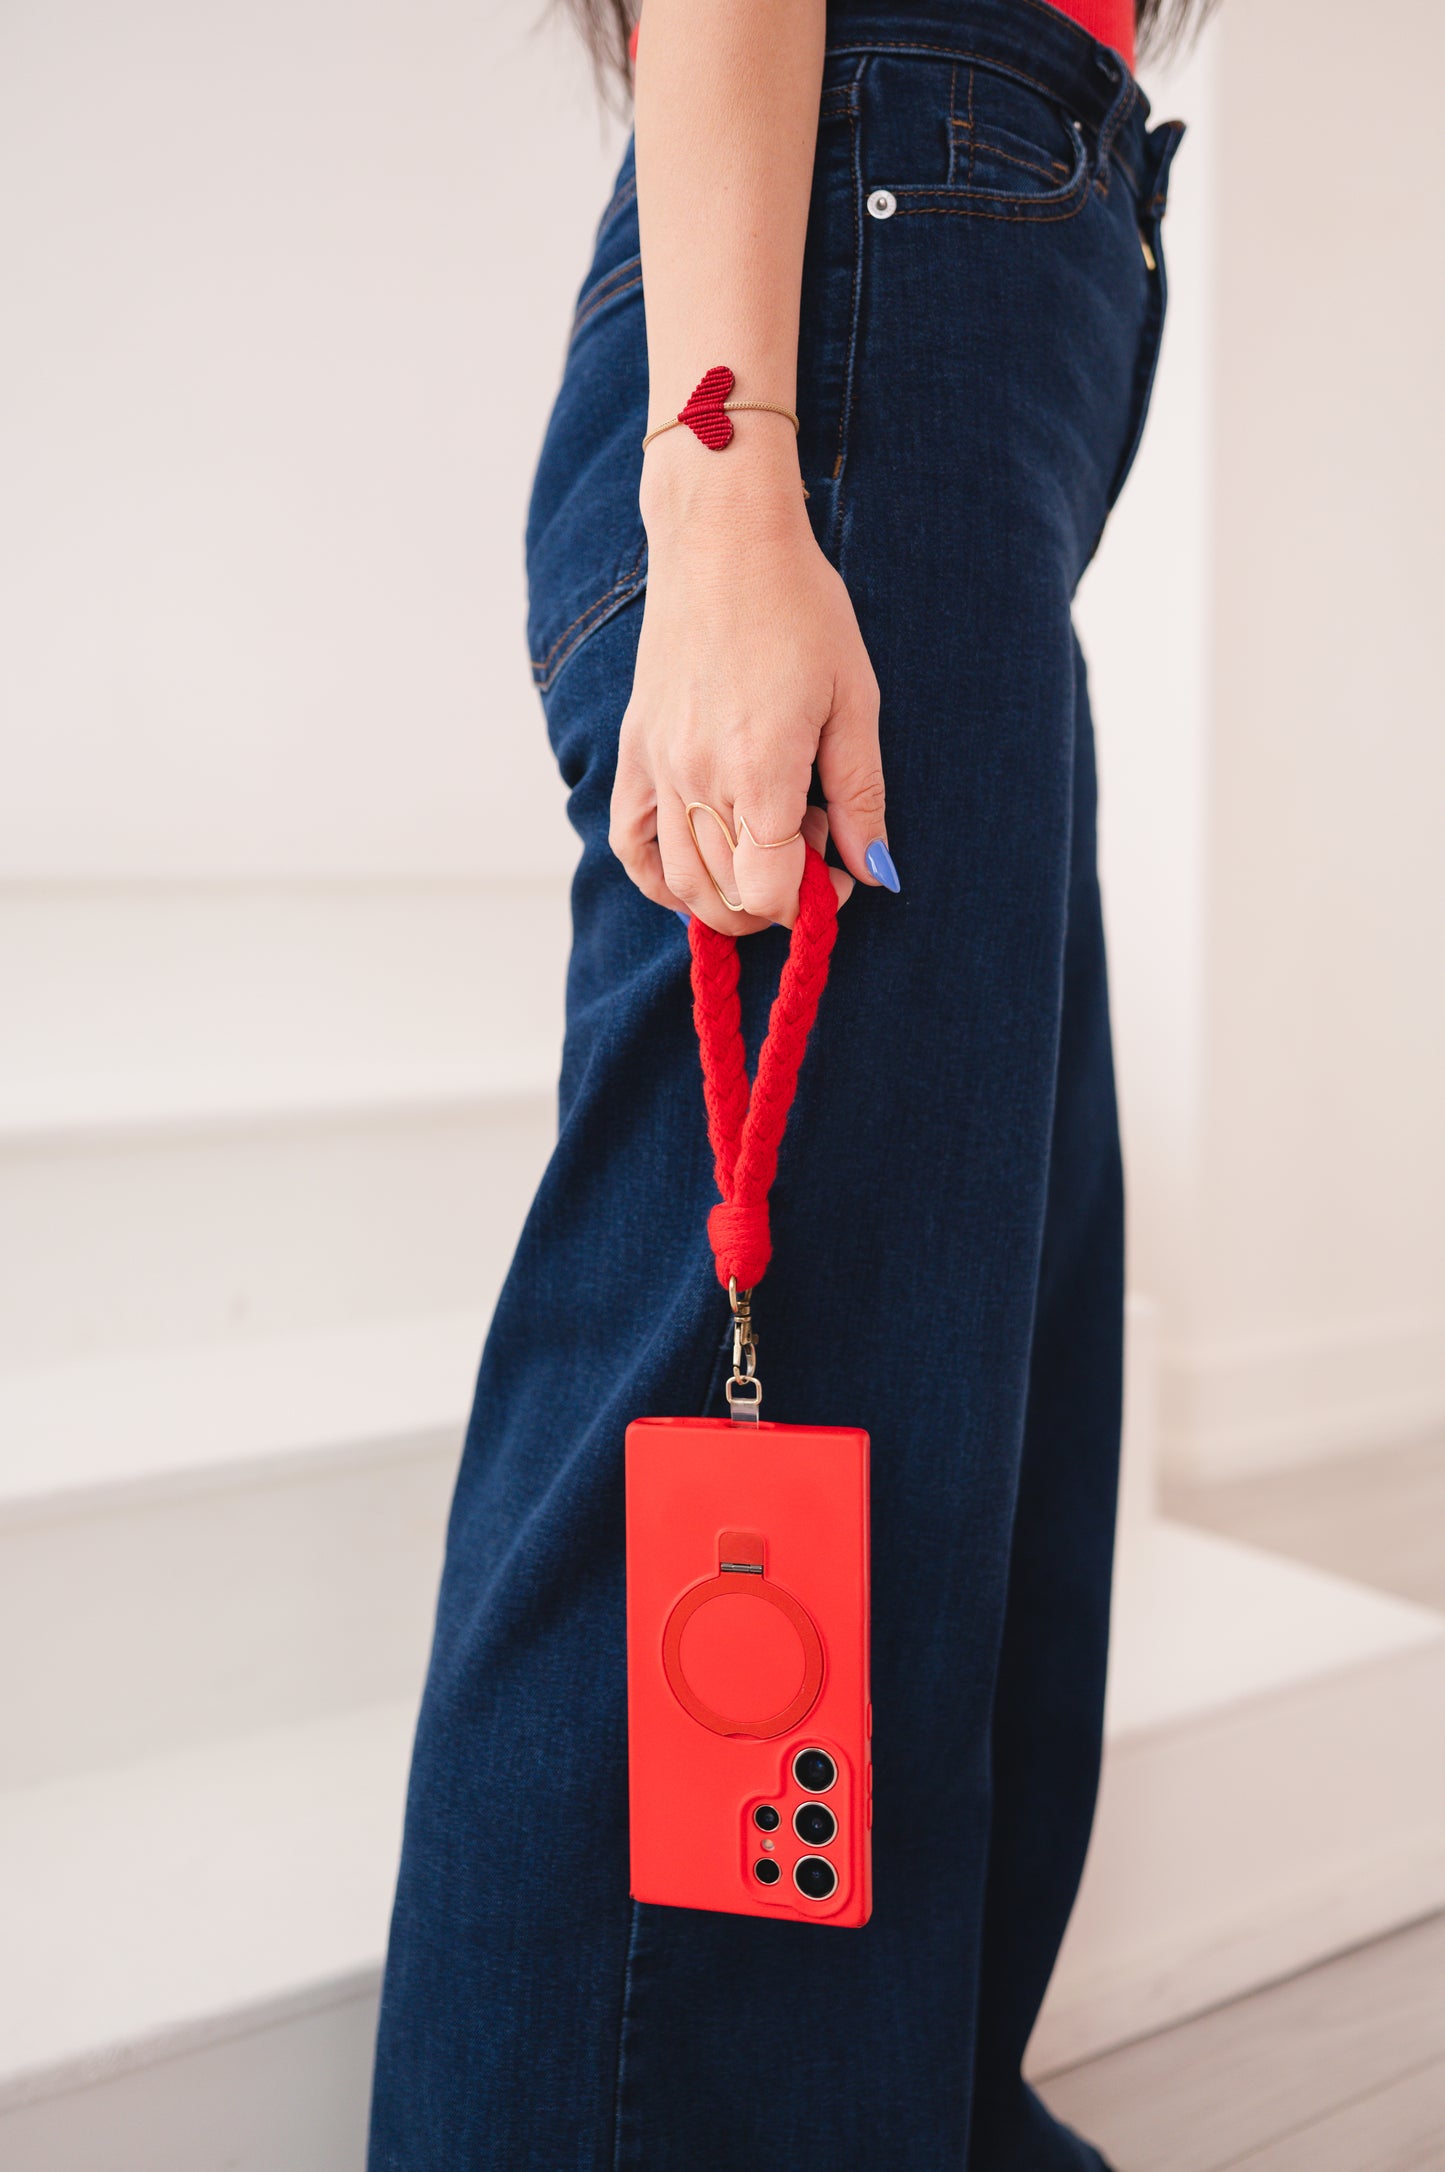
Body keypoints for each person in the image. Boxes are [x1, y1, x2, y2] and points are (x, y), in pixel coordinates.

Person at [369, 0, 1190, 2163]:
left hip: (961, 356)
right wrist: (728, 492)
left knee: (979, 1450)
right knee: (759, 1420)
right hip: (843, 355)